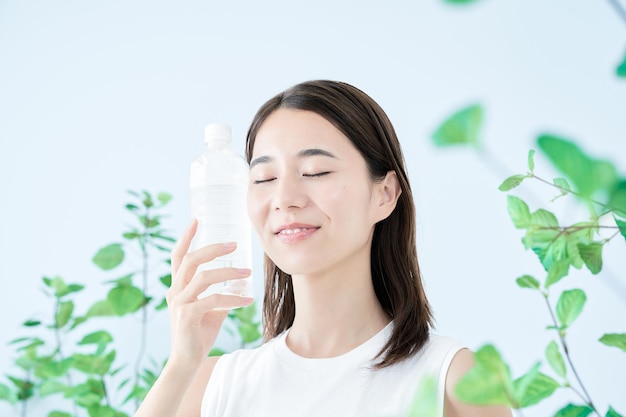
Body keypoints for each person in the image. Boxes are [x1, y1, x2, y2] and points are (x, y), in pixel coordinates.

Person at [135, 80, 512, 417]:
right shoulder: (211, 385)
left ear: (384, 194)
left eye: (315, 171)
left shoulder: (455, 379)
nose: (284, 198)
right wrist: (182, 363)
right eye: (264, 178)